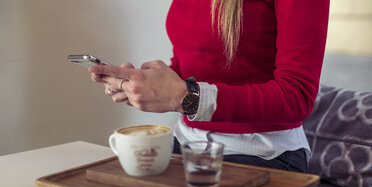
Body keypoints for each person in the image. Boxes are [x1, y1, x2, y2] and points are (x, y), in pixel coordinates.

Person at [89, 0, 330, 173]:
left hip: (262, 152)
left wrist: (185, 96)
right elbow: (191, 66)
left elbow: (297, 94)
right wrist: (145, 84)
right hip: (185, 143)